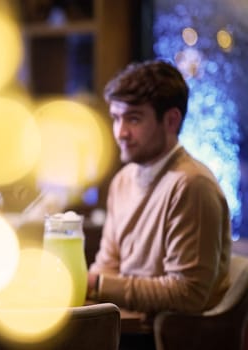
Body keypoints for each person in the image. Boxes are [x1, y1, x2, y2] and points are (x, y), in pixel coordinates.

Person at [88, 60, 231, 317]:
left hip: (161, 338)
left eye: (133, 119)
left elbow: (187, 293)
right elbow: (106, 267)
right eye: (116, 118)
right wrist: (95, 283)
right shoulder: (123, 180)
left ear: (171, 120)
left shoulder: (191, 184)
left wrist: (98, 285)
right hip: (123, 326)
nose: (120, 132)